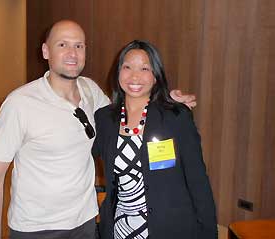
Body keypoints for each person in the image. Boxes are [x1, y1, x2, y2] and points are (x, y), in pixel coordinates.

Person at [0, 20, 196, 239]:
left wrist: (166, 103)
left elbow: (127, 113)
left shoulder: (90, 91)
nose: (72, 53)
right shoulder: (20, 104)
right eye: (62, 45)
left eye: (79, 46)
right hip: (37, 228)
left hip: (86, 221)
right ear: (46, 51)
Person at [92, 40, 217, 239]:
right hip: (120, 228)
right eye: (127, 67)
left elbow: (198, 180)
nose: (135, 76)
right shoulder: (104, 119)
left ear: (156, 76)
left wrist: (209, 233)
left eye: (144, 68)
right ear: (118, 73)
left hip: (170, 227)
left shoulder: (175, 117)